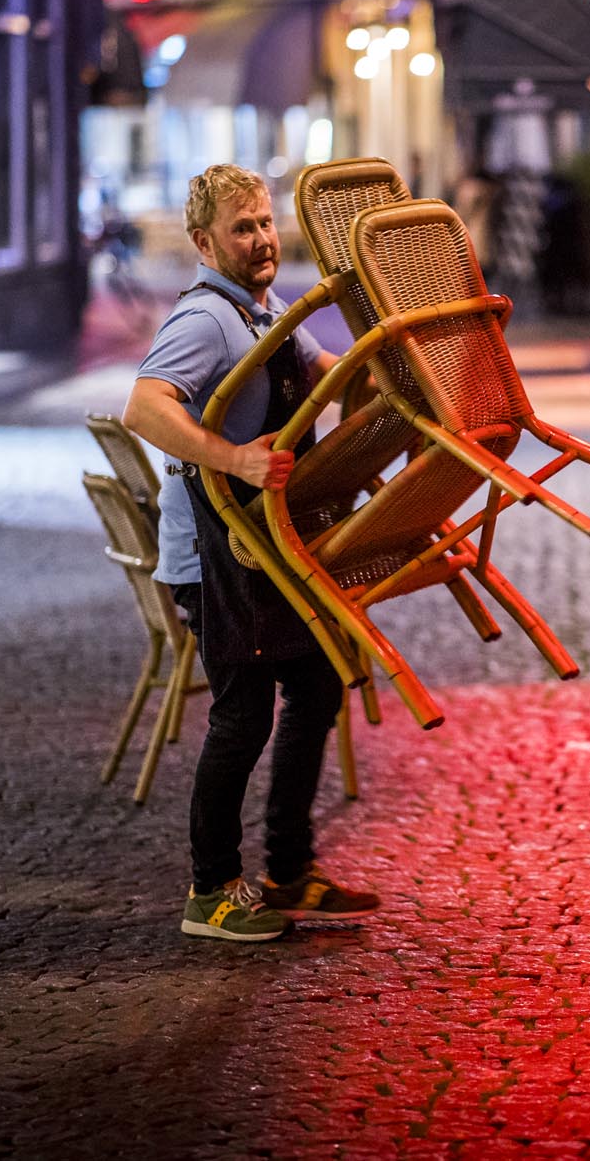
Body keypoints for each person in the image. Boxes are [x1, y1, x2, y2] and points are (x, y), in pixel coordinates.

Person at [122, 163, 379, 942]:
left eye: (265, 222)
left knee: (318, 680)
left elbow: (321, 372)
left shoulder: (260, 313)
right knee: (242, 717)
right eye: (243, 228)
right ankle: (210, 891)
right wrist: (232, 459)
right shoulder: (207, 319)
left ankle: (289, 871)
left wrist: (385, 367)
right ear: (205, 241)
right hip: (216, 553)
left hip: (259, 547)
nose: (263, 238)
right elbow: (144, 404)